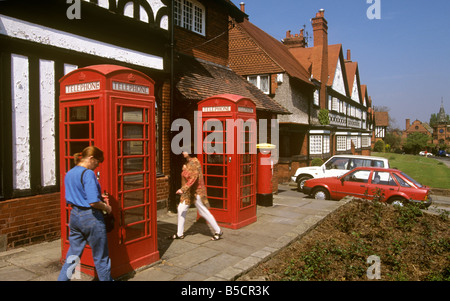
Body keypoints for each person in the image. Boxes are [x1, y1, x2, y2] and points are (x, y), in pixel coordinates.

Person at [58, 146, 113, 281]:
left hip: (75, 216)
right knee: (101, 258)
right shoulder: (88, 173)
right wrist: (106, 207)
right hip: (91, 217)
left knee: (72, 256)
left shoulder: (69, 172)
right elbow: (93, 202)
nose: (97, 166)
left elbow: (76, 193)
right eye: (97, 162)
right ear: (91, 158)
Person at [171, 151, 223, 241]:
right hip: (189, 192)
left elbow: (193, 178)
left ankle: (218, 231)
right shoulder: (187, 162)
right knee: (181, 209)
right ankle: (180, 234)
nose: (183, 152)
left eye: (185, 151)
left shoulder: (194, 162)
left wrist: (182, 189)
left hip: (196, 191)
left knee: (203, 212)